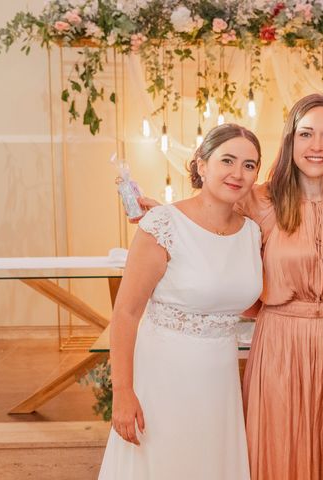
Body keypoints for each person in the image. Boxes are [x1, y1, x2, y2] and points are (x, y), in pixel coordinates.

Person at [98, 123, 263, 480]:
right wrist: (123, 393)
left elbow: (239, 300)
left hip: (219, 381)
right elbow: (125, 314)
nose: (238, 173)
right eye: (228, 160)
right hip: (164, 378)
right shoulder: (162, 224)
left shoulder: (252, 232)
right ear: (202, 165)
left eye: (249, 165)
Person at [237, 94, 323, 480]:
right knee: (279, 452)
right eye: (306, 134)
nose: (317, 146)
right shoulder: (259, 200)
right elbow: (209, 225)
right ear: (290, 140)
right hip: (279, 340)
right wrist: (162, 215)